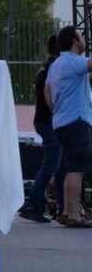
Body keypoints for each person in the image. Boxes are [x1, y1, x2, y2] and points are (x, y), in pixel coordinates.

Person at [44, 25, 92, 227]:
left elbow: (47, 92)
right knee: (77, 169)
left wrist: (57, 111)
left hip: (61, 122)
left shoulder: (56, 64)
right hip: (76, 120)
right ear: (74, 41)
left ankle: (66, 210)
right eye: (81, 36)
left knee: (73, 166)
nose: (84, 39)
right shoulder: (74, 61)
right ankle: (73, 214)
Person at [19, 34, 65, 223]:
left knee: (60, 166)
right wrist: (58, 113)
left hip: (45, 121)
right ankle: (31, 204)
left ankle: (62, 207)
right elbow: (49, 95)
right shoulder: (54, 68)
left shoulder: (46, 67)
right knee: (52, 165)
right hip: (49, 122)